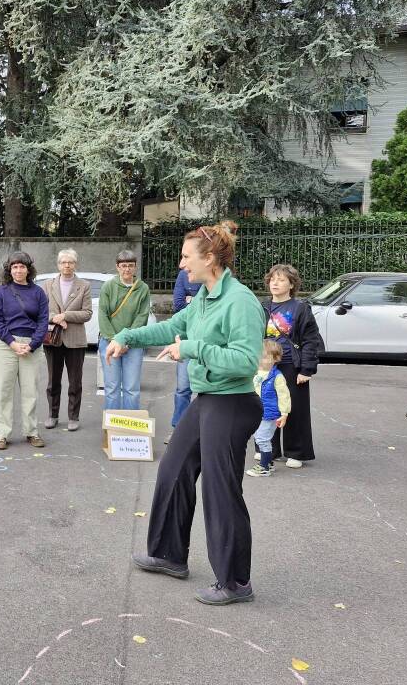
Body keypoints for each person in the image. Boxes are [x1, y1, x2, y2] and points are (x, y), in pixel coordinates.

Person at [107, 222, 264, 605]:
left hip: (233, 403)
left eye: (186, 257)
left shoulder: (239, 301)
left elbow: (246, 362)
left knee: (220, 491)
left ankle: (235, 582)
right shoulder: (204, 298)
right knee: (174, 468)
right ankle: (168, 555)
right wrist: (126, 337)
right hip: (207, 400)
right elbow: (171, 329)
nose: (181, 265)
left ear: (209, 259)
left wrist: (194, 349)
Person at [262, 264, 323, 469]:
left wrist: (306, 369)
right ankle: (268, 448)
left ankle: (296, 452)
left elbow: (310, 339)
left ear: (291, 284)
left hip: (292, 365)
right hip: (267, 366)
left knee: (294, 409)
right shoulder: (263, 307)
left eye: (280, 279)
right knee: (267, 407)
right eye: (272, 279)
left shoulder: (300, 308)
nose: (275, 283)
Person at [0, 251, 48, 451]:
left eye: (22, 266)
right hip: (6, 346)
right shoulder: (1, 292)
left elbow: (43, 321)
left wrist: (32, 344)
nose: (18, 270)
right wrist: (12, 343)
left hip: (32, 346)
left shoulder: (38, 293)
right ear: (9, 270)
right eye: (14, 267)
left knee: (30, 391)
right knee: (3, 392)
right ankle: (2, 434)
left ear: (28, 269)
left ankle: (31, 431)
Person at [42, 249, 92, 432]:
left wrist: (66, 315)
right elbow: (41, 311)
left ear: (75, 264)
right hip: (52, 339)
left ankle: (73, 416)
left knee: (75, 381)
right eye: (63, 262)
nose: (67, 265)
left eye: (70, 262)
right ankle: (52, 415)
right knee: (53, 381)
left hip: (75, 340)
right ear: (58, 265)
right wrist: (55, 317)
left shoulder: (84, 285)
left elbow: (87, 313)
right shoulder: (48, 284)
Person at [99, 250, 151, 411]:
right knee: (112, 388)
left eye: (130, 266)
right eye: (123, 266)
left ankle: (129, 428)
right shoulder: (108, 286)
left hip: (133, 344)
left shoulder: (142, 288)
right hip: (109, 342)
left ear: (135, 268)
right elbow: (103, 314)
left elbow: (142, 316)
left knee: (132, 389)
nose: (127, 269)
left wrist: (126, 340)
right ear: (117, 267)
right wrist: (114, 340)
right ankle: (112, 430)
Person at [245, 340, 290, 478]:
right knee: (260, 438)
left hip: (269, 414)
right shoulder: (255, 372)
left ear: (276, 358)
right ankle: (269, 462)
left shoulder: (277, 376)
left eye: (265, 357)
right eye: (259, 356)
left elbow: (284, 396)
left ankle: (264, 467)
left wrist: (284, 413)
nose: (261, 360)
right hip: (257, 412)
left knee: (262, 439)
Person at [170, 267, 203, 438]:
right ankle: (178, 431)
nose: (183, 263)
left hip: (207, 342)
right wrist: (196, 303)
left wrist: (191, 300)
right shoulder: (183, 275)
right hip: (185, 340)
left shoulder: (217, 276)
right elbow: (178, 304)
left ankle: (202, 433)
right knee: (183, 388)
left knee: (207, 391)